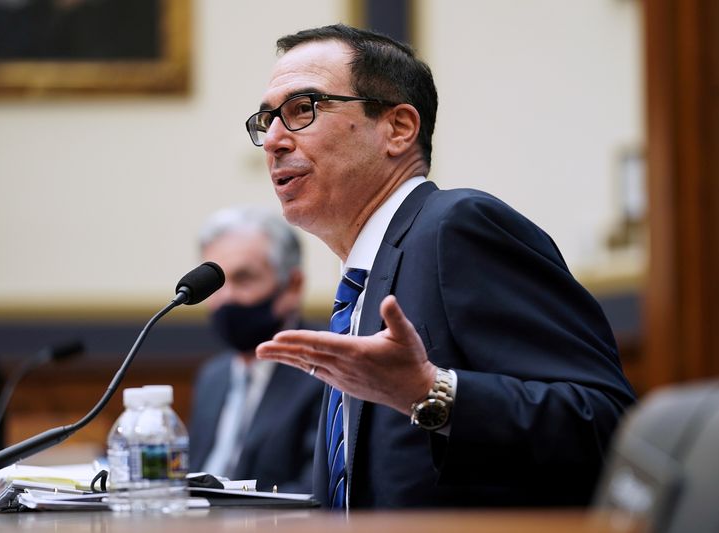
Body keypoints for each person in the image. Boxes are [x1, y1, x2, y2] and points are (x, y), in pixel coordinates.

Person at [252, 24, 637, 508]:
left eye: (301, 110)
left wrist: (432, 392)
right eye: (266, 120)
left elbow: (608, 424)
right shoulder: (365, 280)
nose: (272, 141)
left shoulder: (456, 228)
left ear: (398, 128)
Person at [188, 206, 323, 493]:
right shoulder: (213, 376)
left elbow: (316, 491)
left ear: (293, 287)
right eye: (216, 285)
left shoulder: (325, 371)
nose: (225, 298)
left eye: (243, 279)